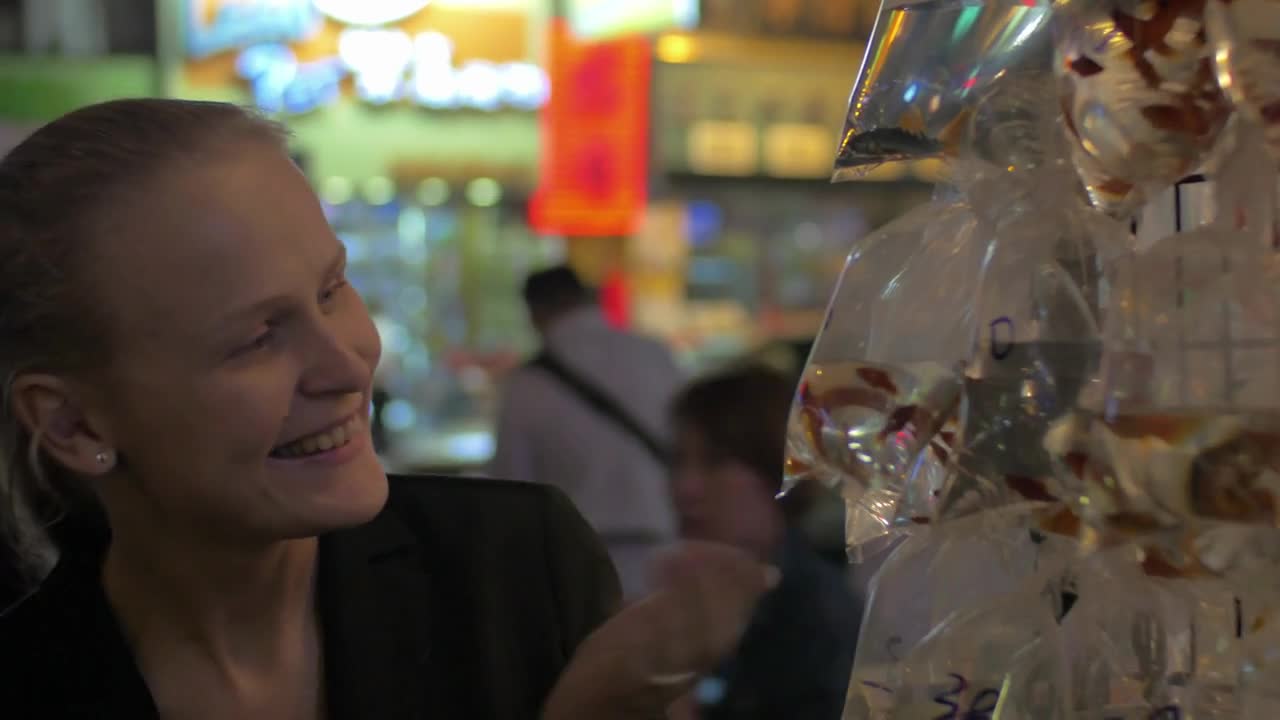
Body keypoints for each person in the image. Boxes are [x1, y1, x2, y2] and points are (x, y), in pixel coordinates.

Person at [0, 98, 774, 718]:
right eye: (258, 338)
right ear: (73, 423)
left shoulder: (517, 572)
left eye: (333, 289)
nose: (348, 364)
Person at [668, 365, 862, 720]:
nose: (685, 487)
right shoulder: (693, 599)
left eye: (715, 462)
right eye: (677, 460)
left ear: (773, 467)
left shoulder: (813, 618)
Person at [490, 265, 683, 601]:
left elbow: (512, 487)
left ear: (534, 313)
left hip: (581, 559)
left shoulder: (527, 384)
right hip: (664, 544)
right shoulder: (655, 354)